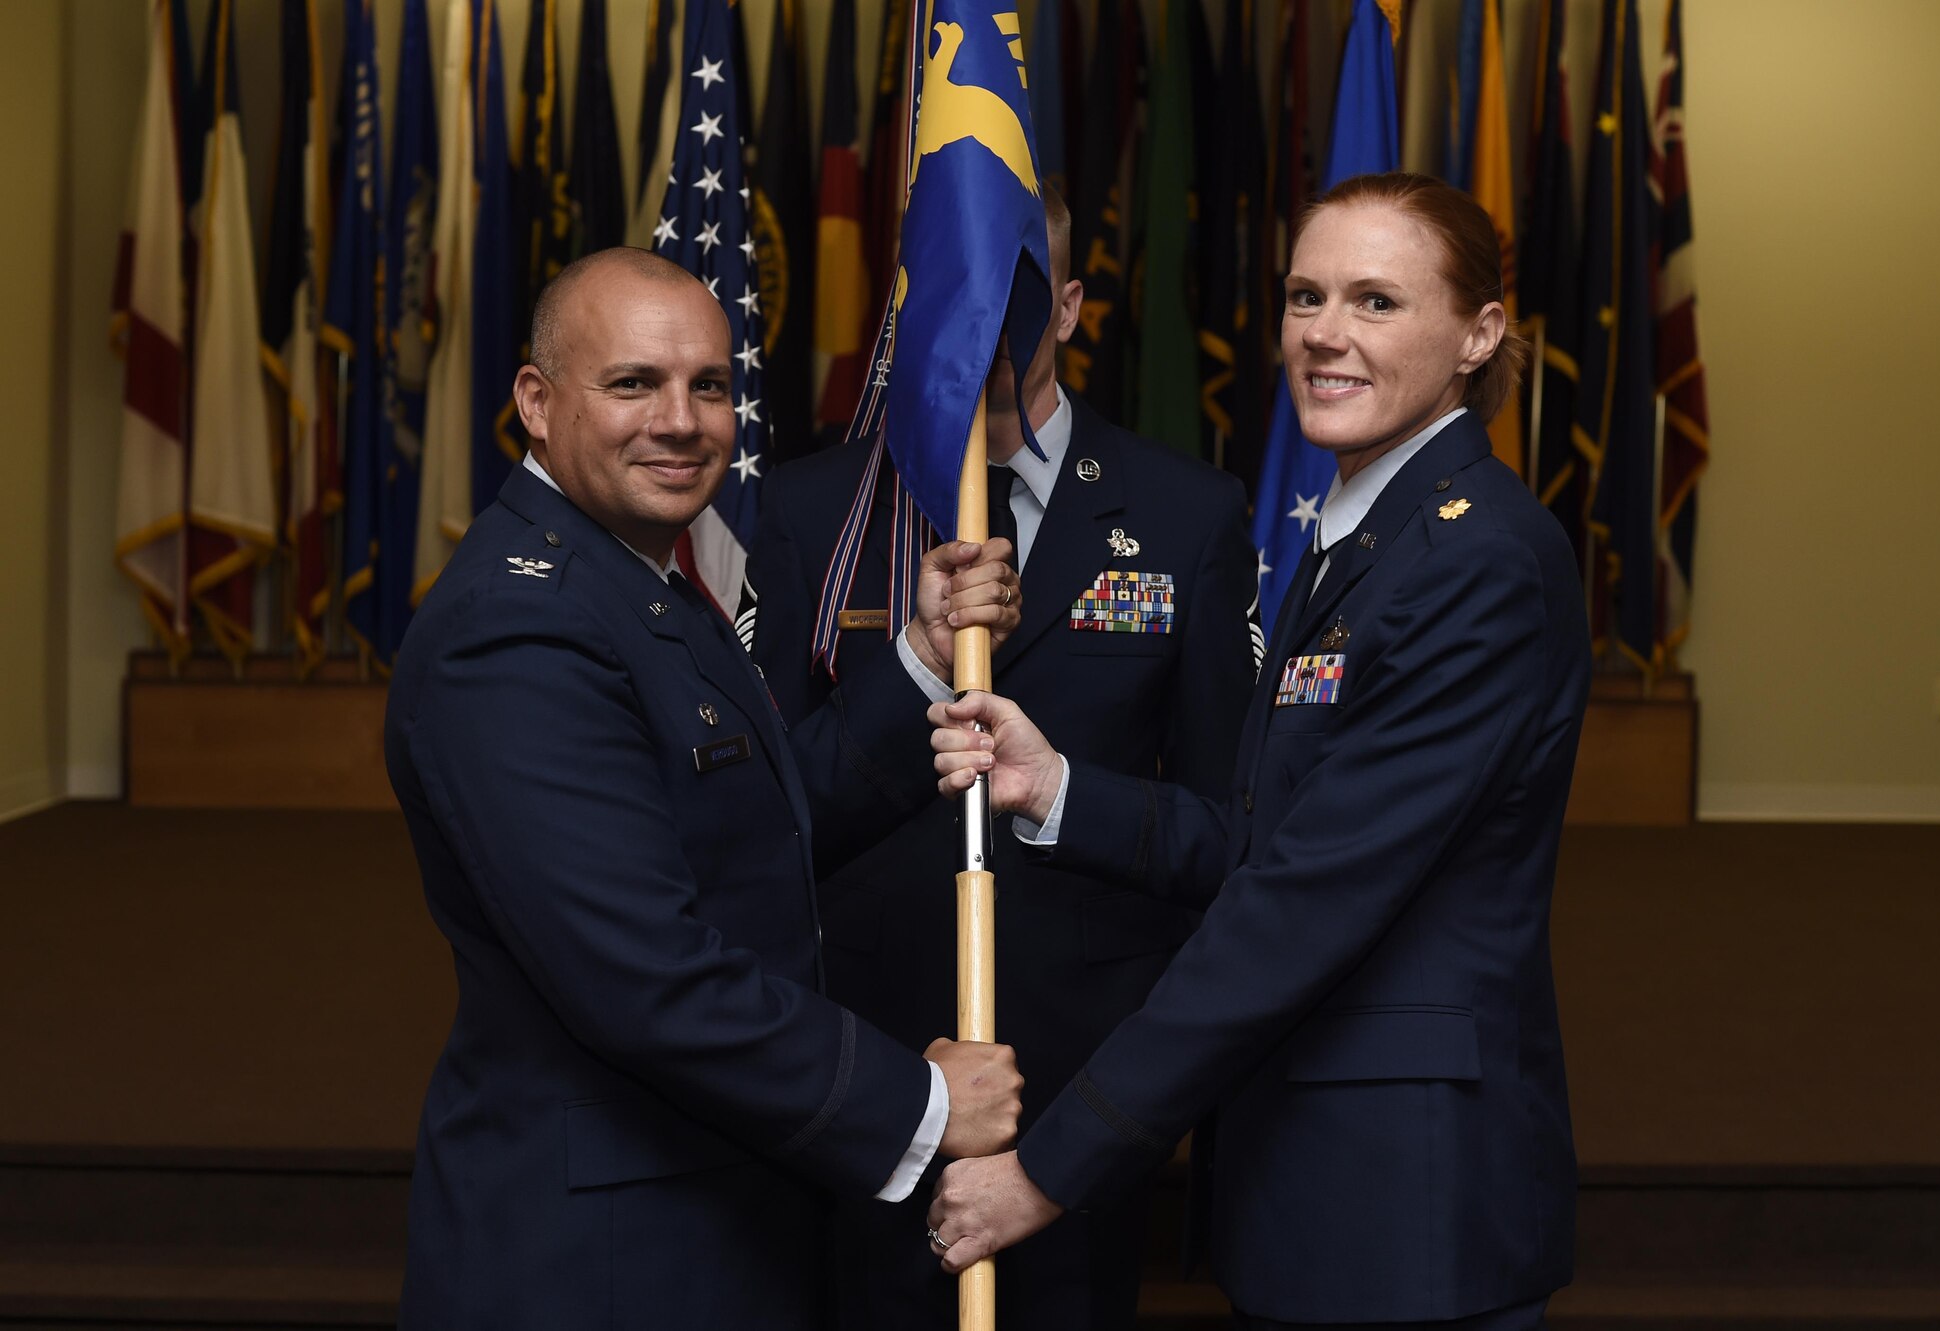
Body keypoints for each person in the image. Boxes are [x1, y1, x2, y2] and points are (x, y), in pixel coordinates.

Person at [926, 173, 1592, 1330]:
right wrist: (1058, 787)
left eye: (1376, 302)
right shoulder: (1364, 537)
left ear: (1478, 334)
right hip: (1319, 1173)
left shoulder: (1474, 561)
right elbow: (1267, 834)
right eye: (1304, 295)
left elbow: (1301, 897)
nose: (1323, 334)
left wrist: (1048, 1164)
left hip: (1402, 1201)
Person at [385, 247, 1027, 1328]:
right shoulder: (515, 627)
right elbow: (641, 973)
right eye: (633, 383)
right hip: (599, 1258)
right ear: (536, 403)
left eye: (711, 385)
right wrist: (915, 1100)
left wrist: (917, 654)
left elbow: (751, 830)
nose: (681, 421)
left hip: (706, 1203)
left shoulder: (635, 579)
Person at [744, 184, 1260, 1330]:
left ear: (1070, 307)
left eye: (1014, 295)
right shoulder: (812, 511)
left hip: (1081, 1073)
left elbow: (1232, 831)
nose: (979, 323)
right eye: (948, 293)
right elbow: (762, 819)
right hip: (860, 1060)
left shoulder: (1183, 515)